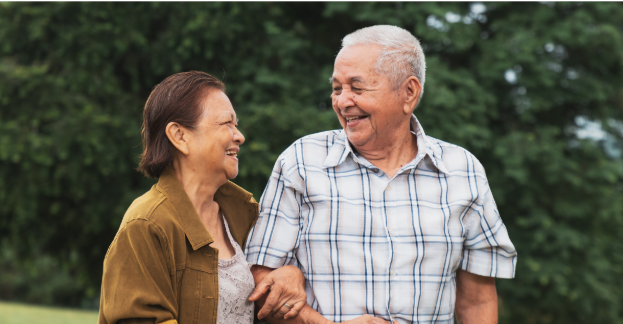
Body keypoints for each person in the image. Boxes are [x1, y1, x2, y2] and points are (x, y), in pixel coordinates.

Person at [246, 25, 517, 324]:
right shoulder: (301, 161)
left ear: (408, 92)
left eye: (357, 87)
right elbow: (263, 278)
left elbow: (477, 302)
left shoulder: (463, 170)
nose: (342, 101)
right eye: (337, 88)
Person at [98, 71, 306, 324]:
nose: (239, 136)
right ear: (180, 136)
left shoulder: (246, 214)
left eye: (236, 125)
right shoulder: (146, 224)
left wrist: (291, 274)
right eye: (226, 124)